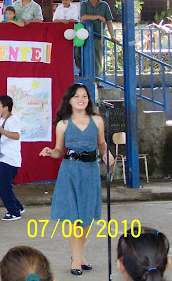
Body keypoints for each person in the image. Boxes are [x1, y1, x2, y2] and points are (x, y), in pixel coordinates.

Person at [39, 83, 114, 276]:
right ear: (69, 100)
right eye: (76, 96)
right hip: (70, 171)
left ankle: (78, 256)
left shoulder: (97, 120)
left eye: (84, 96)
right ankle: (76, 259)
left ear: (89, 100)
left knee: (87, 216)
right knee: (73, 218)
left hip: (90, 171)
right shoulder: (63, 123)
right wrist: (49, 152)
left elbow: (102, 144)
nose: (81, 99)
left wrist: (106, 153)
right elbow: (58, 151)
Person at [0, 95, 24, 221]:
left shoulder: (13, 120)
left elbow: (16, 136)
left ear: (6, 107)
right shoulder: (1, 120)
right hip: (2, 156)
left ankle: (14, 212)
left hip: (10, 158)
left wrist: (1, 130)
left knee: (3, 184)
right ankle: (17, 206)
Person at [78, 0, 116, 84]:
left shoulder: (104, 5)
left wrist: (112, 36)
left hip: (98, 36)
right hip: (84, 36)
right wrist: (98, 17)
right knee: (77, 53)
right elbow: (83, 17)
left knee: (98, 59)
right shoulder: (84, 4)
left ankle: (96, 81)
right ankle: (82, 71)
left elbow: (109, 21)